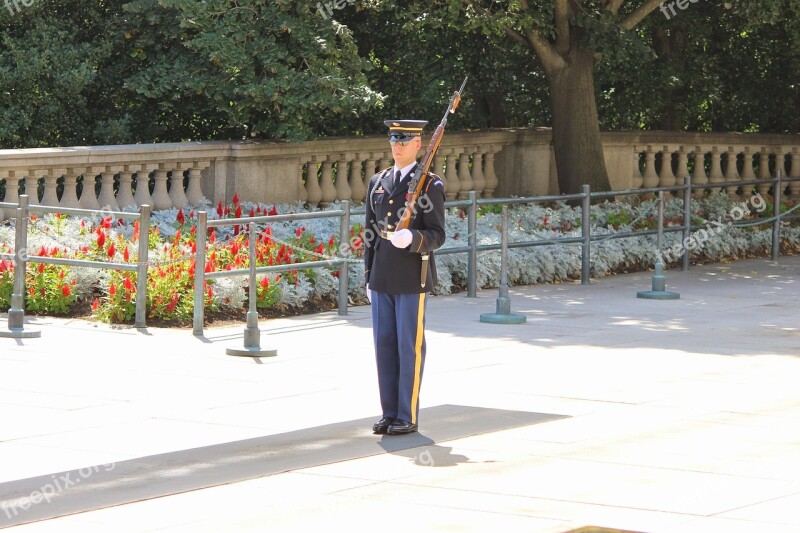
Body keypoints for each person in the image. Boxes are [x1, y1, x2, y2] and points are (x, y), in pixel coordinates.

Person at [363, 119, 446, 435]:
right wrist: (369, 276)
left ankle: (406, 414)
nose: (397, 146)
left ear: (418, 145)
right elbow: (370, 231)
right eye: (393, 140)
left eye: (404, 140)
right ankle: (389, 412)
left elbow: (437, 234)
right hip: (382, 273)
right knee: (384, 344)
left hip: (412, 274)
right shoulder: (378, 182)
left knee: (408, 345)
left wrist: (412, 238)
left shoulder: (430, 185)